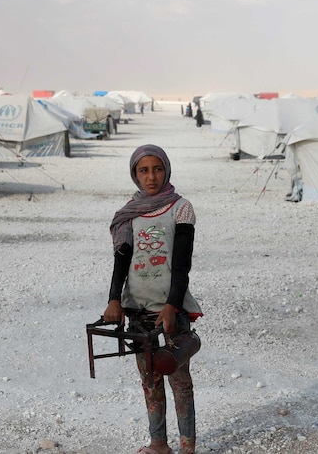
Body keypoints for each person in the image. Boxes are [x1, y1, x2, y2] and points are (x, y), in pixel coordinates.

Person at [105, 144, 202, 454]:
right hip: (138, 309)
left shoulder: (180, 207)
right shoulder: (129, 213)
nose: (151, 176)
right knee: (149, 379)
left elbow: (183, 262)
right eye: (143, 170)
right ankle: (158, 443)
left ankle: (187, 446)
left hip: (171, 309)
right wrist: (114, 299)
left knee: (178, 379)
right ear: (135, 174)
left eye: (157, 169)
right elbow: (122, 259)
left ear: (167, 170)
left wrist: (173, 305)